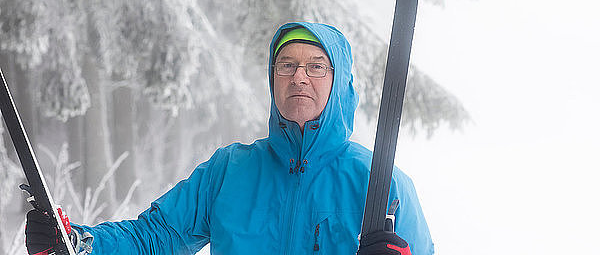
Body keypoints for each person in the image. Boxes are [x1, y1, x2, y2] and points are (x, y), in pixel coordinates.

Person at [25, 22, 434, 255]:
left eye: (316, 66)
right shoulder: (232, 170)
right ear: (272, 78)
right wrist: (80, 244)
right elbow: (156, 237)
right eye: (286, 64)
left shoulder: (381, 185)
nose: (298, 76)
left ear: (339, 81)